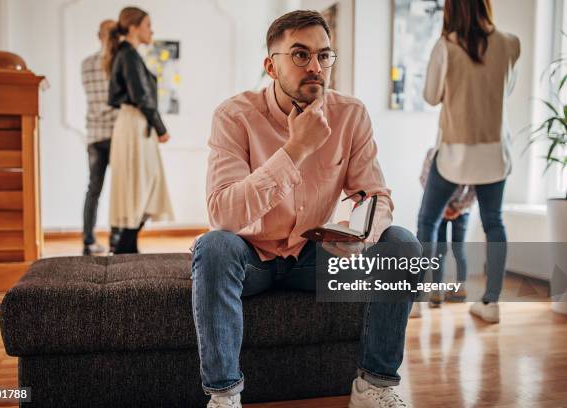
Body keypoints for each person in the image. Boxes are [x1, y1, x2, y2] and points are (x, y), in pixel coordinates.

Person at [192, 10, 421, 408]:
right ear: (270, 65)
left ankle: (375, 388)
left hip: (316, 255)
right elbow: (223, 214)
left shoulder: (351, 115)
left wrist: (359, 232)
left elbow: (375, 195)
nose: (315, 67)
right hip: (251, 257)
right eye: (300, 55)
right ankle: (224, 396)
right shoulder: (234, 116)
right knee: (213, 246)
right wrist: (295, 149)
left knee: (401, 243)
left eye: (324, 56)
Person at [417, 0, 520, 323]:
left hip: (454, 154)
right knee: (494, 223)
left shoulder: (446, 46)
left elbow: (431, 96)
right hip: (494, 153)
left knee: (428, 222)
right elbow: (507, 89)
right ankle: (491, 302)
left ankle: (420, 296)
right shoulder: (511, 44)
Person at [104, 6, 174, 254]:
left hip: (134, 124)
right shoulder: (129, 55)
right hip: (134, 124)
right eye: (147, 25)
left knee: (144, 184)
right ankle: (125, 247)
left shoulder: (128, 54)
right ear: (133, 28)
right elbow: (142, 96)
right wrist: (160, 127)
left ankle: (127, 246)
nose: (151, 30)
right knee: (143, 184)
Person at [81, 19, 121, 255]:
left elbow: (93, 99)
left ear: (99, 36)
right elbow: (116, 103)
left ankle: (88, 240)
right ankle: (116, 238)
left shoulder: (86, 64)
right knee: (119, 189)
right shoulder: (117, 63)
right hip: (116, 134)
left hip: (94, 134)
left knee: (93, 189)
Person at [420, 148, 475, 307]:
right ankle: (450, 290)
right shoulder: (434, 153)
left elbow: (424, 179)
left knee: (447, 251)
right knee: (449, 250)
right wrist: (454, 208)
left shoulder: (433, 153)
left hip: (452, 210)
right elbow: (473, 190)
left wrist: (451, 208)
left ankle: (440, 292)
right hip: (455, 210)